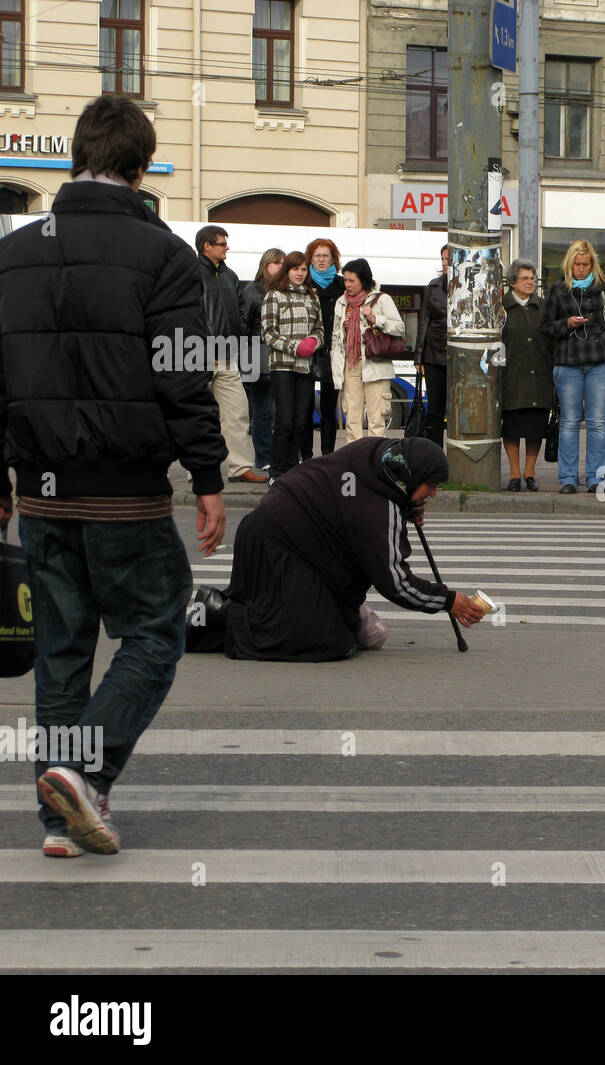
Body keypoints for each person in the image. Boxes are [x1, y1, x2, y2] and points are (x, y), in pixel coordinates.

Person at [0, 95, 227, 858]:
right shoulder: (164, 256)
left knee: (62, 652)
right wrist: (207, 475)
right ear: (139, 168)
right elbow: (182, 377)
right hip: (125, 492)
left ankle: (64, 816)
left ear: (74, 159)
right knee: (157, 632)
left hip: (41, 490)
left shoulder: (15, 251)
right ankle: (82, 767)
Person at [188, 438, 484, 661]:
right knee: (319, 640)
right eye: (430, 484)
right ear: (411, 475)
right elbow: (395, 582)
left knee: (328, 627)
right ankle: (217, 612)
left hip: (275, 536)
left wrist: (405, 504)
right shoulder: (379, 506)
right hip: (280, 546)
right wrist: (448, 601)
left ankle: (219, 613)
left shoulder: (377, 458)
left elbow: (346, 505)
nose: (432, 492)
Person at [540, 239, 605, 494]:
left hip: (599, 362)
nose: (581, 268)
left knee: (597, 422)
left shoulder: (602, 288)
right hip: (567, 363)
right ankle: (567, 478)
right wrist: (567, 323)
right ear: (569, 263)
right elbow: (545, 326)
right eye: (577, 264)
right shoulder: (557, 289)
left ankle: (596, 478)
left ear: (592, 265)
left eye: (585, 264)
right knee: (569, 421)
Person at [196, 225, 266, 485]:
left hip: (227, 355)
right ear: (207, 246)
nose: (227, 247)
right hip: (197, 353)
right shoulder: (190, 273)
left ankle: (239, 468)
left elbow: (238, 311)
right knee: (200, 415)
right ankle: (198, 467)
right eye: (222, 243)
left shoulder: (230, 275)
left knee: (237, 412)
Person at [261, 250, 325, 481]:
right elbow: (268, 333)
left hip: (305, 367)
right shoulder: (274, 295)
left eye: (303, 269)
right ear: (287, 270)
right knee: (284, 421)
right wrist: (294, 346)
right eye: (295, 269)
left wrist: (313, 342)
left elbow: (320, 330)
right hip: (282, 366)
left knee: (300, 422)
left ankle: (293, 469)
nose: (299, 273)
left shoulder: (312, 297)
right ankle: (277, 470)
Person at [331, 258, 403, 444]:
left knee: (376, 418)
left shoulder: (381, 299)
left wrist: (375, 318)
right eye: (345, 280)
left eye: (352, 280)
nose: (347, 284)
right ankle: (355, 460)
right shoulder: (341, 302)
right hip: (350, 365)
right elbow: (336, 338)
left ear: (363, 279)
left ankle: (375, 459)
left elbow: (400, 328)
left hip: (375, 364)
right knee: (352, 418)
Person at [500, 258, 553, 491]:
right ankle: (514, 473)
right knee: (511, 425)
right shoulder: (501, 306)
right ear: (513, 282)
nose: (530, 282)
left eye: (532, 278)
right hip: (511, 374)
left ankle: (530, 472)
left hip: (539, 374)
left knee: (535, 426)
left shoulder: (543, 306)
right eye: (525, 278)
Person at [238, 248, 284, 472]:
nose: (279, 267)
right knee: (263, 410)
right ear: (266, 265)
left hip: (281, 353)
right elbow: (243, 324)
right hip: (258, 353)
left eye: (282, 264)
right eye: (276, 263)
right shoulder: (252, 291)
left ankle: (282, 455)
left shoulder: (286, 290)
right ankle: (263, 457)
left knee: (281, 410)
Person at [305, 238, 346, 457]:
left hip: (335, 352)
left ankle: (328, 455)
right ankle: (306, 455)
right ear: (310, 258)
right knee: (305, 407)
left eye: (325, 256)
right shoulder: (304, 282)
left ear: (333, 259)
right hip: (308, 351)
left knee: (329, 409)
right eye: (317, 255)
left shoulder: (342, 285)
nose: (321, 260)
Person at [416, 244, 451, 448]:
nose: (445, 263)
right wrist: (418, 357)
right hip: (434, 354)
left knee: (455, 409)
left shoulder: (470, 285)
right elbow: (424, 322)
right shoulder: (433, 287)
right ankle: (435, 454)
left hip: (459, 356)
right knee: (435, 410)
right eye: (443, 259)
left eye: (449, 259)